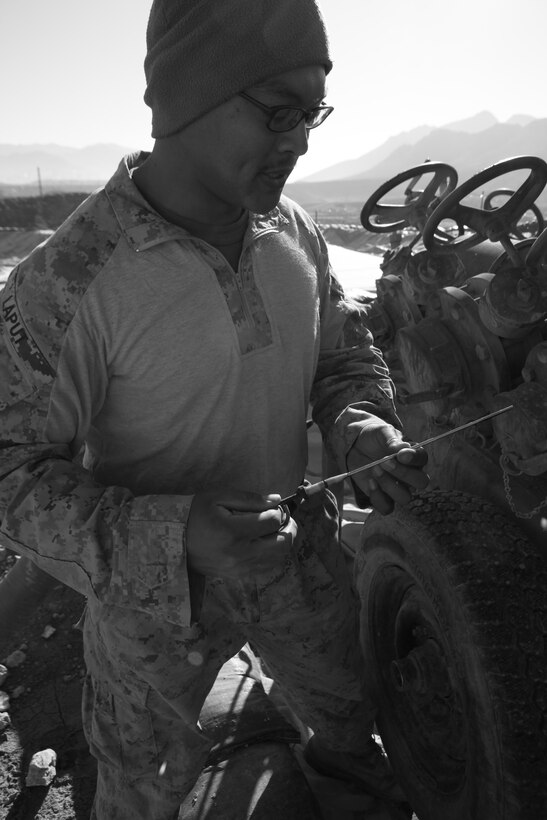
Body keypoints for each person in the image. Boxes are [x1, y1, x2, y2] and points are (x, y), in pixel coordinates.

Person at [0, 1, 428, 818]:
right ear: (190, 97)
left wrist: (356, 418)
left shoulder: (293, 230)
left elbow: (340, 355)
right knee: (143, 790)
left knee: (351, 733)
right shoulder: (73, 279)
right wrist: (175, 535)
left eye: (313, 113)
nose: (301, 139)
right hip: (154, 614)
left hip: (299, 562)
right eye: (277, 112)